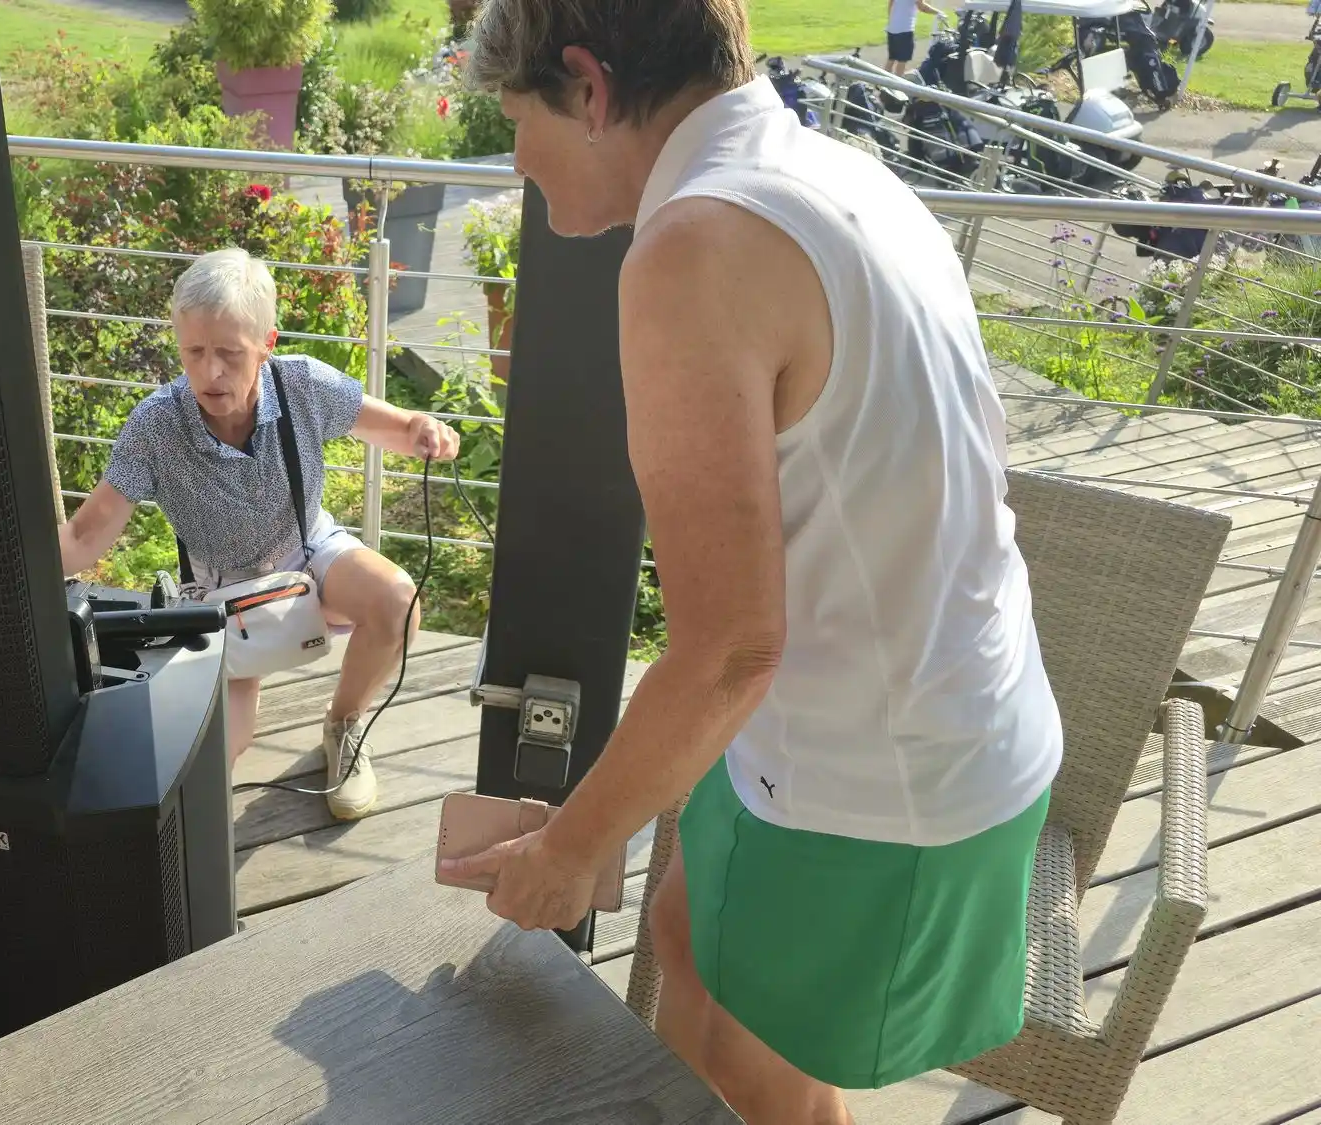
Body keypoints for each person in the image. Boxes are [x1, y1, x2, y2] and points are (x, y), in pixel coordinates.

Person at [440, 2, 1062, 1122]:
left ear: (588, 86)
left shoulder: (692, 248)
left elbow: (730, 650)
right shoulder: (839, 173)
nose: (515, 158)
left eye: (514, 117)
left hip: (878, 780)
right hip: (883, 722)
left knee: (750, 1076)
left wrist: (570, 850)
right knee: (683, 936)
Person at [58, 248, 461, 821]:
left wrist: (425, 428)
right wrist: (9, 576)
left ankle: (343, 725)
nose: (210, 373)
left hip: (307, 549)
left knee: (398, 601)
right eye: (194, 352)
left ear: (267, 343)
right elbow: (84, 535)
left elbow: (398, 428)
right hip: (219, 591)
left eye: (229, 353)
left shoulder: (301, 384)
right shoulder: (155, 424)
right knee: (215, 752)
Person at [886, 0, 944, 75]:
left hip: (892, 29)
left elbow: (891, 3)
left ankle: (882, 81)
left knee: (891, 59)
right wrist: (939, 12)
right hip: (905, 30)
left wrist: (892, 21)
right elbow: (922, 7)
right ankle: (898, 80)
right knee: (902, 61)